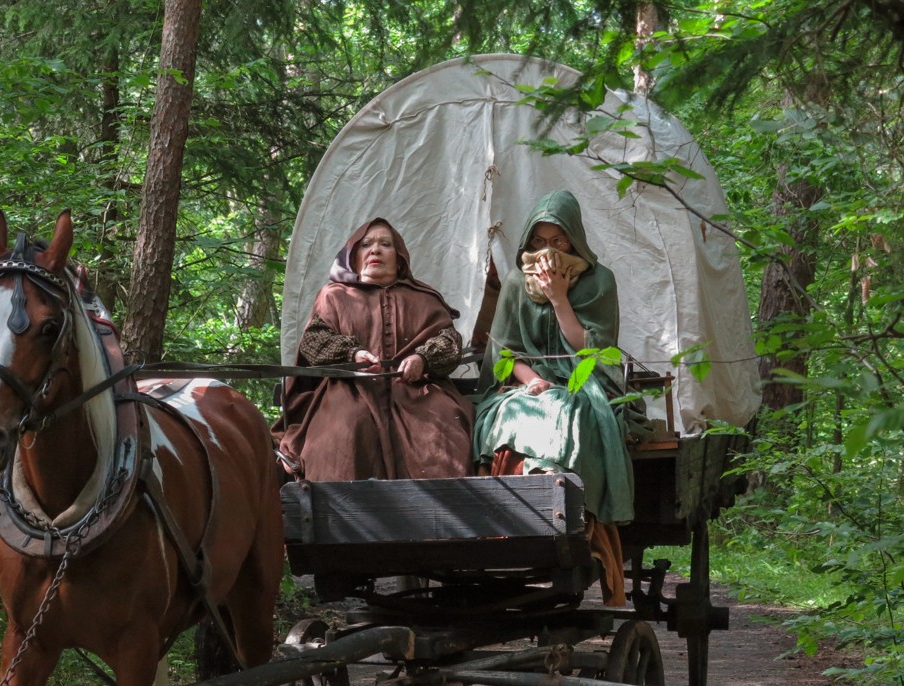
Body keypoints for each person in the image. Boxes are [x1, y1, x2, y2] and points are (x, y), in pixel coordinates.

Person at [472, 190, 652, 605]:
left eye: (559, 242)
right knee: (509, 416)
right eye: (539, 242)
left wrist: (558, 298)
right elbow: (505, 351)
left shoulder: (598, 281)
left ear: (574, 241)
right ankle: (511, 513)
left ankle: (570, 518)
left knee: (569, 413)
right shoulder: (518, 281)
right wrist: (532, 379)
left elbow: (595, 350)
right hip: (525, 383)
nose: (548, 252)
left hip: (584, 380)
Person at [274, 218, 473, 481]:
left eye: (385, 244)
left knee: (442, 425)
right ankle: (340, 513)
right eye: (366, 244)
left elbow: (449, 341)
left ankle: (444, 514)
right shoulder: (333, 295)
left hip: (417, 390)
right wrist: (351, 355)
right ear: (353, 258)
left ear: (399, 258)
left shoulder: (425, 298)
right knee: (346, 428)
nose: (375, 250)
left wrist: (422, 358)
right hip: (350, 390)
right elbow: (314, 339)